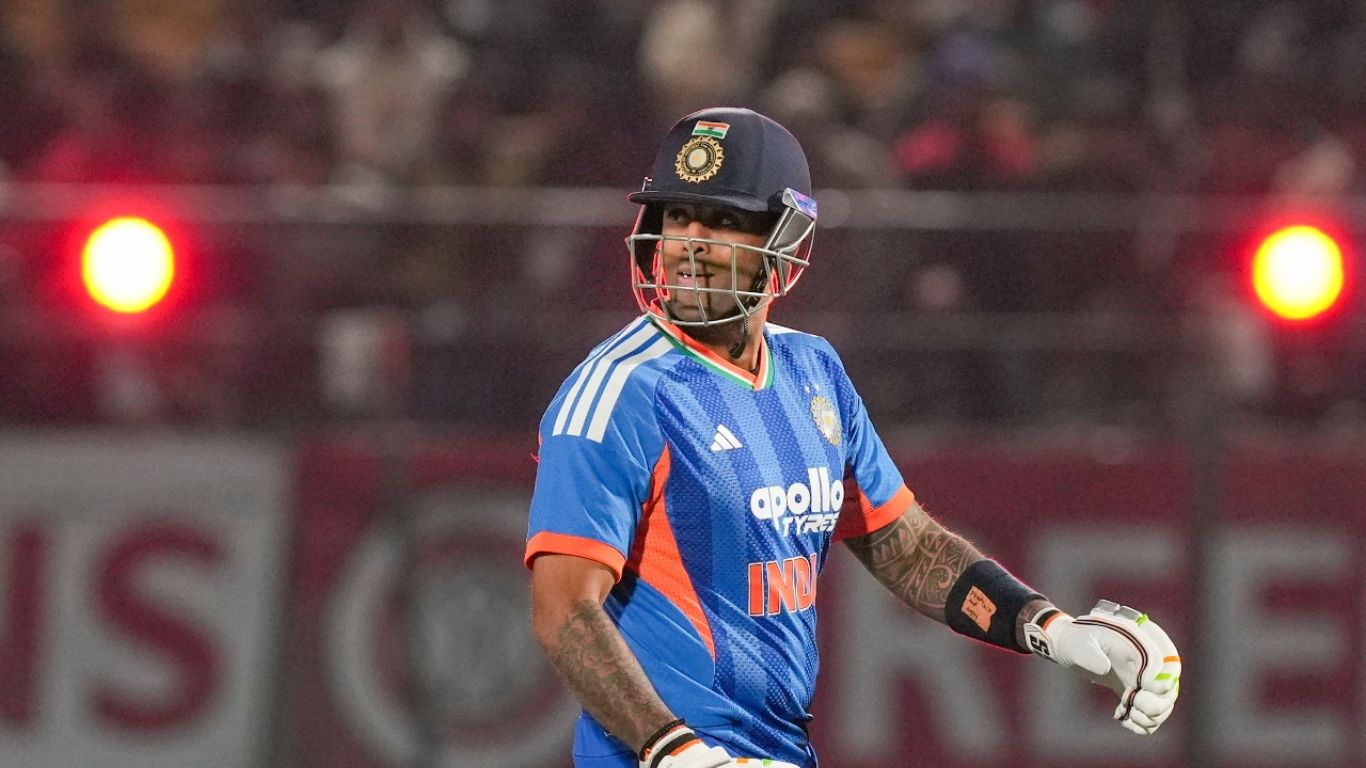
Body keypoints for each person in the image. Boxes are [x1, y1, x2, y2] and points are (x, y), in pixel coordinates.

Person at [524, 106, 1181, 768]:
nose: (689, 242)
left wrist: (1050, 629)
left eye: (721, 220)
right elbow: (565, 612)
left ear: (783, 237)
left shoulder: (814, 372)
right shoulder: (617, 392)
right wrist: (675, 753)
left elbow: (908, 548)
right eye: (675, 216)